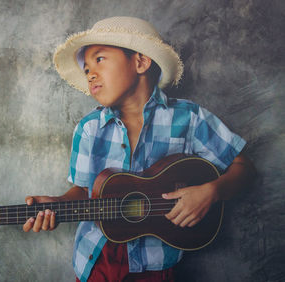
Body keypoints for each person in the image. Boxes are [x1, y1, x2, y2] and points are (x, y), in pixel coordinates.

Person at [22, 17, 255, 281]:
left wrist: (212, 191)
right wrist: (59, 203)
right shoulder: (88, 128)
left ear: (140, 62)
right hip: (96, 261)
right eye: (85, 69)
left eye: (99, 59)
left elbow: (244, 167)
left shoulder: (189, 119)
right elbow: (84, 190)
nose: (90, 73)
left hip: (157, 265)